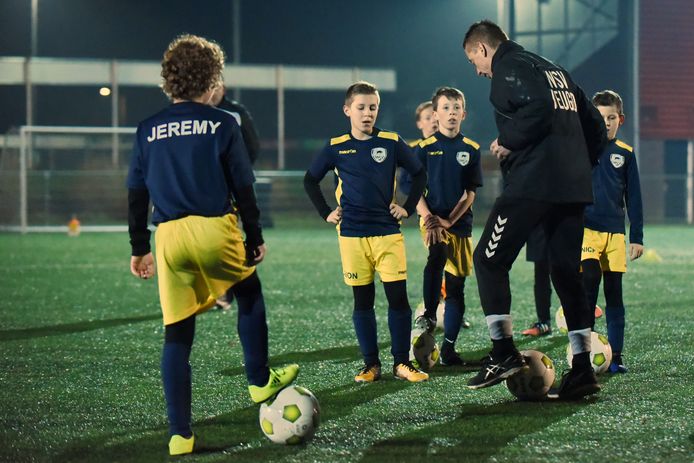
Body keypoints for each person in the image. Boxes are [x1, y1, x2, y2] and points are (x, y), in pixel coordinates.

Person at [126, 34, 298, 456]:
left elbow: (135, 193)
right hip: (213, 227)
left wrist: (138, 247)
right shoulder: (223, 123)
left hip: (168, 237)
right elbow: (243, 184)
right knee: (249, 293)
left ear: (170, 80)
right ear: (212, 79)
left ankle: (180, 436)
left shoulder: (147, 129)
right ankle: (259, 381)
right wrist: (254, 236)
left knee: (177, 334)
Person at [462, 20, 607, 399]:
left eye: (474, 60)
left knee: (488, 260)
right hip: (572, 187)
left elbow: (538, 108)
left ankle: (503, 352)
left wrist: (507, 140)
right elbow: (593, 122)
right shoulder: (554, 69)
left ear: (482, 49)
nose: (477, 70)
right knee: (565, 272)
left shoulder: (509, 67)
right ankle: (581, 370)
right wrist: (578, 164)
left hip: (534, 183)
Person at [303, 81, 429, 383]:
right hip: (352, 235)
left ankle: (402, 363)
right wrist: (326, 213)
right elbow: (310, 180)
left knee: (398, 300)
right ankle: (371, 365)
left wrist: (407, 208)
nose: (367, 113)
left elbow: (419, 172)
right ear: (348, 110)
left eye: (372, 107)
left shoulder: (391, 141)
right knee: (363, 302)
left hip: (387, 233)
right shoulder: (335, 147)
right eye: (361, 107)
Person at [409, 87, 482, 366]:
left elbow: (470, 193)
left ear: (463, 114)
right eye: (445, 108)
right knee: (437, 253)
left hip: (460, 225)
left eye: (456, 108)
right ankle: (428, 312)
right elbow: (415, 191)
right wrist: (430, 219)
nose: (451, 113)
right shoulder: (423, 149)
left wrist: (450, 220)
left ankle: (449, 350)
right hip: (431, 220)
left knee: (456, 288)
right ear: (435, 114)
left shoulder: (471, 149)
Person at [582, 90, 644, 373]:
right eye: (599, 117)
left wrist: (637, 237)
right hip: (587, 230)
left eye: (611, 117)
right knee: (590, 279)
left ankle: (616, 356)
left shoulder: (626, 154)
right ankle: (582, 352)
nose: (605, 122)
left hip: (615, 234)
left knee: (614, 293)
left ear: (621, 119)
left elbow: (634, 198)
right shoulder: (583, 148)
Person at [209, 84, 261, 311]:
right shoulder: (198, 112)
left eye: (216, 85)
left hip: (232, 185)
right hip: (207, 187)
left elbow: (253, 145)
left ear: (223, 88)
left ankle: (228, 290)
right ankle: (220, 290)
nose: (212, 90)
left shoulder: (236, 113)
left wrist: (240, 170)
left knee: (230, 237)